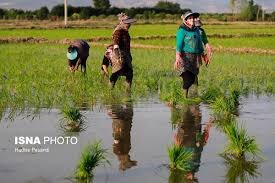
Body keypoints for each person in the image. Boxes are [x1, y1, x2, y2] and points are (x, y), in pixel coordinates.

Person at [171, 104, 212, 182]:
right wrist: (207, 128)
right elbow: (200, 149)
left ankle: (183, 101)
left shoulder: (181, 167)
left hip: (184, 137)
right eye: (193, 179)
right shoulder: (196, 168)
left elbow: (176, 152)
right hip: (195, 136)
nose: (191, 177)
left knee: (184, 112)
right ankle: (193, 98)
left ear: (185, 178)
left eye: (189, 179)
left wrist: (176, 142)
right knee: (196, 112)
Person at [102, 13, 136, 89]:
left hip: (126, 54)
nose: (129, 25)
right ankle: (110, 91)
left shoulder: (125, 31)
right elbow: (116, 45)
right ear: (123, 23)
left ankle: (127, 93)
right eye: (127, 23)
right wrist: (118, 57)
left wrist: (129, 55)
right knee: (116, 72)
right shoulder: (118, 32)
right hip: (119, 54)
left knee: (130, 74)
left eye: (129, 23)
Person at [174, 11, 204, 98]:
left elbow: (199, 44)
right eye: (190, 18)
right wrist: (177, 58)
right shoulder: (181, 31)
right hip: (184, 57)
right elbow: (178, 46)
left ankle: (187, 97)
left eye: (193, 18)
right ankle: (183, 98)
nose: (192, 20)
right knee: (188, 79)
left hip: (194, 58)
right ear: (186, 20)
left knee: (193, 78)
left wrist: (201, 56)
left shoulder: (196, 30)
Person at [107, 103, 137, 171]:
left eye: (129, 159)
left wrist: (113, 114)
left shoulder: (118, 151)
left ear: (124, 160)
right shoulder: (126, 150)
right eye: (130, 159)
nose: (129, 158)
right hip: (126, 119)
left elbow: (116, 138)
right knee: (127, 100)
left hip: (120, 119)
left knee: (116, 101)